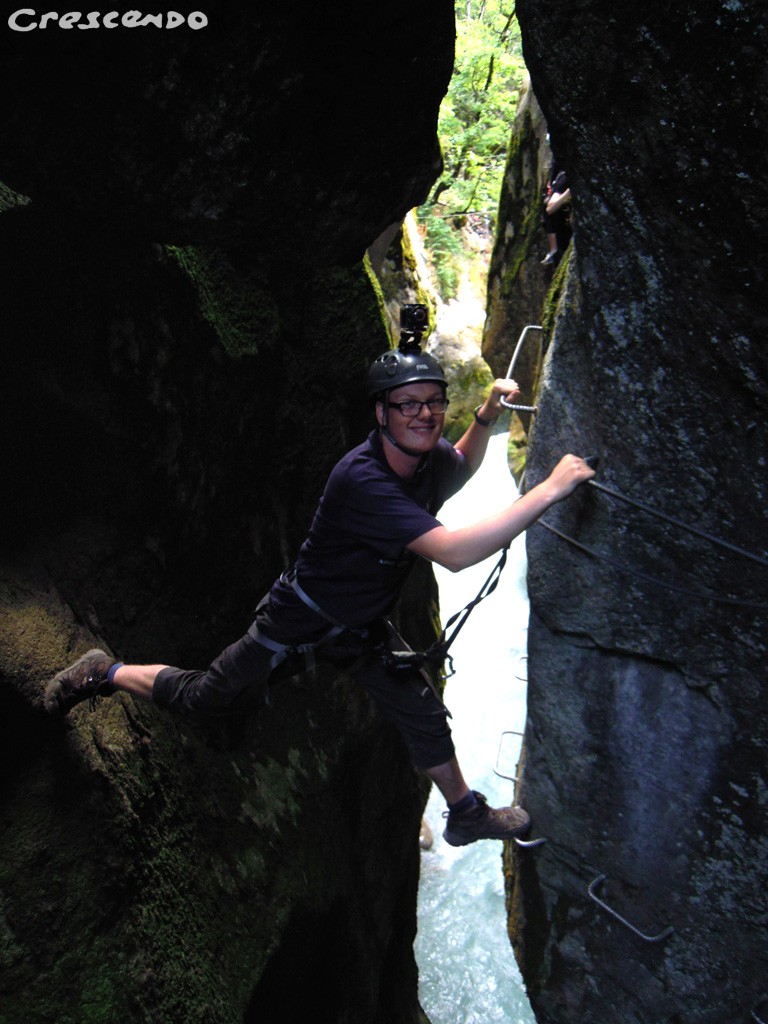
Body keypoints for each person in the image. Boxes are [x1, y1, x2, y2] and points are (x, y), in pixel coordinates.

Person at [45, 315, 595, 846]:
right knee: (205, 698)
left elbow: (459, 468)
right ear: (380, 414)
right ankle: (105, 670)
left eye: (433, 402)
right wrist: (547, 490)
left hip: (360, 624)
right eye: (408, 405)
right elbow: (453, 553)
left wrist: (483, 417)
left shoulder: (422, 459)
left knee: (422, 710)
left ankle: (465, 814)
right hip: (299, 617)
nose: (424, 415)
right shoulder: (363, 479)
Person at [541, 167, 572, 267]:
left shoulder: (559, 174)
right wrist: (569, 193)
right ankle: (553, 251)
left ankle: (553, 251)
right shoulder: (564, 177)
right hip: (562, 235)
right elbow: (550, 208)